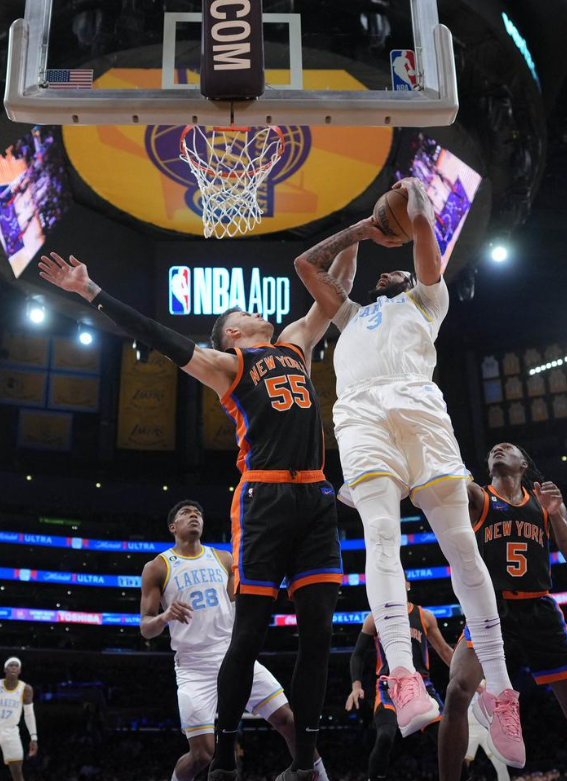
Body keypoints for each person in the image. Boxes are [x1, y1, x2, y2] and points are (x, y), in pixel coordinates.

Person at [39, 246, 361, 781]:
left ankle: (305, 763)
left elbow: (337, 290)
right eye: (241, 313)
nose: (254, 311)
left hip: (315, 495)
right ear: (232, 334)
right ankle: (225, 762)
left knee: (319, 639)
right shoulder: (226, 365)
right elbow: (157, 335)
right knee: (250, 633)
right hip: (263, 499)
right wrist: (91, 291)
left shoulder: (296, 344)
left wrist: (361, 232)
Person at [292, 178, 523, 762]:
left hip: (419, 406)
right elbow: (305, 264)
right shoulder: (350, 315)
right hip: (361, 414)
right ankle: (402, 675)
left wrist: (414, 199)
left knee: (462, 549)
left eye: (399, 270)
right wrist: (365, 229)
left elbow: (422, 228)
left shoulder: (428, 299)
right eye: (383, 272)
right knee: (380, 535)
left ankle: (500, 694)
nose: (389, 275)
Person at [437, 443, 567, 781]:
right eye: (492, 450)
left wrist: (555, 514)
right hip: (491, 609)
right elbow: (450, 483)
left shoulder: (543, 502)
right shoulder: (478, 497)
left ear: (523, 463)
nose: (496, 450)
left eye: (506, 449)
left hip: (538, 607)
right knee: (456, 691)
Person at [143, 500, 330, 781]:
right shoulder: (157, 567)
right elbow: (146, 628)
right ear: (173, 526)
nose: (194, 515)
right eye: (185, 513)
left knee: (290, 722)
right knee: (203, 755)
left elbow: (243, 605)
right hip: (194, 667)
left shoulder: (223, 559)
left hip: (233, 656)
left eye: (198, 513)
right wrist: (165, 616)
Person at [345, 589, 453, 780]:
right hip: (389, 685)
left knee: (448, 741)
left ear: (408, 584)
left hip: (421, 684)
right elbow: (358, 654)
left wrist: (471, 679)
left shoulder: (424, 616)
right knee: (385, 735)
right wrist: (356, 685)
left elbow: (444, 650)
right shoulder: (374, 617)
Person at [0, 658, 38, 781]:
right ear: (5, 669)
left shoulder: (26, 689)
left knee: (17, 771)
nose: (14, 667)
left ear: (20, 670)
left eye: (16, 666)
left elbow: (29, 715)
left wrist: (34, 738)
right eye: (10, 665)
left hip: (12, 731)